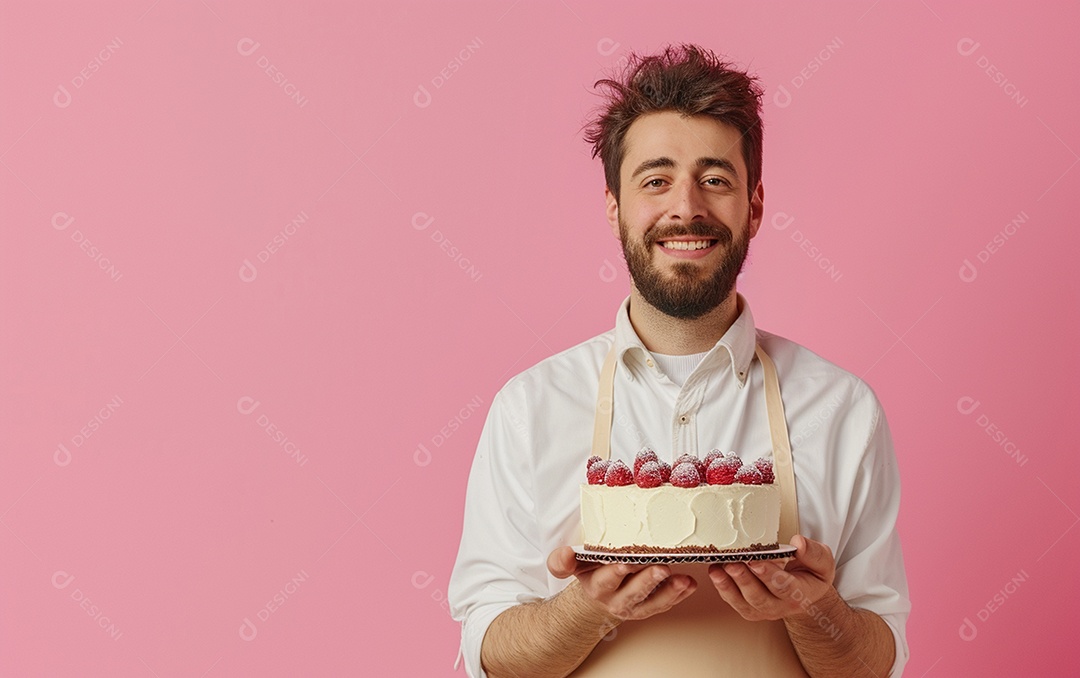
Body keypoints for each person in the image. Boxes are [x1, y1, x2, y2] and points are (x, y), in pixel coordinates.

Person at [448, 43, 910, 677]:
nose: (686, 207)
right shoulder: (531, 406)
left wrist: (813, 606)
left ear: (755, 203)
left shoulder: (841, 409)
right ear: (614, 206)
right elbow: (489, 656)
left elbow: (876, 664)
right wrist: (586, 610)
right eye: (655, 180)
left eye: (715, 179)